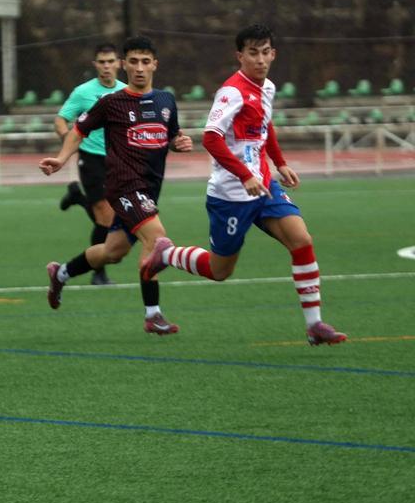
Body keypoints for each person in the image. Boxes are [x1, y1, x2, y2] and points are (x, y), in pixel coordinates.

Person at [141, 24, 348, 346]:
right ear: (240, 56)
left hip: (263, 187)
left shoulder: (267, 88)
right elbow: (210, 138)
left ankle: (315, 325)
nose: (260, 60)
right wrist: (244, 175)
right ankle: (167, 254)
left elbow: (266, 128)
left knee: (301, 240)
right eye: (253, 53)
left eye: (265, 52)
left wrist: (279, 164)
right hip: (231, 195)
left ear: (273, 54)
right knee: (220, 270)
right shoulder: (232, 92)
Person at [38, 35, 193, 333]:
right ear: (124, 65)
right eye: (133, 61)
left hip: (149, 190)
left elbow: (171, 134)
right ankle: (153, 314)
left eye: (145, 62)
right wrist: (60, 159)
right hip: (123, 186)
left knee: (112, 251)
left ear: (155, 65)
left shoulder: (166, 100)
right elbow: (79, 130)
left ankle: (61, 273)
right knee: (157, 239)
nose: (139, 68)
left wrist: (178, 142)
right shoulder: (111, 103)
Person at [54, 43, 126, 285]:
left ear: (119, 63)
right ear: (95, 64)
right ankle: (98, 272)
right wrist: (68, 141)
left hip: (118, 160)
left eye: (110, 61)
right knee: (105, 218)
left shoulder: (127, 91)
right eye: (102, 62)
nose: (106, 66)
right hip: (91, 158)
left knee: (111, 217)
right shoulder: (83, 92)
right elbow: (61, 120)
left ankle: (77, 196)